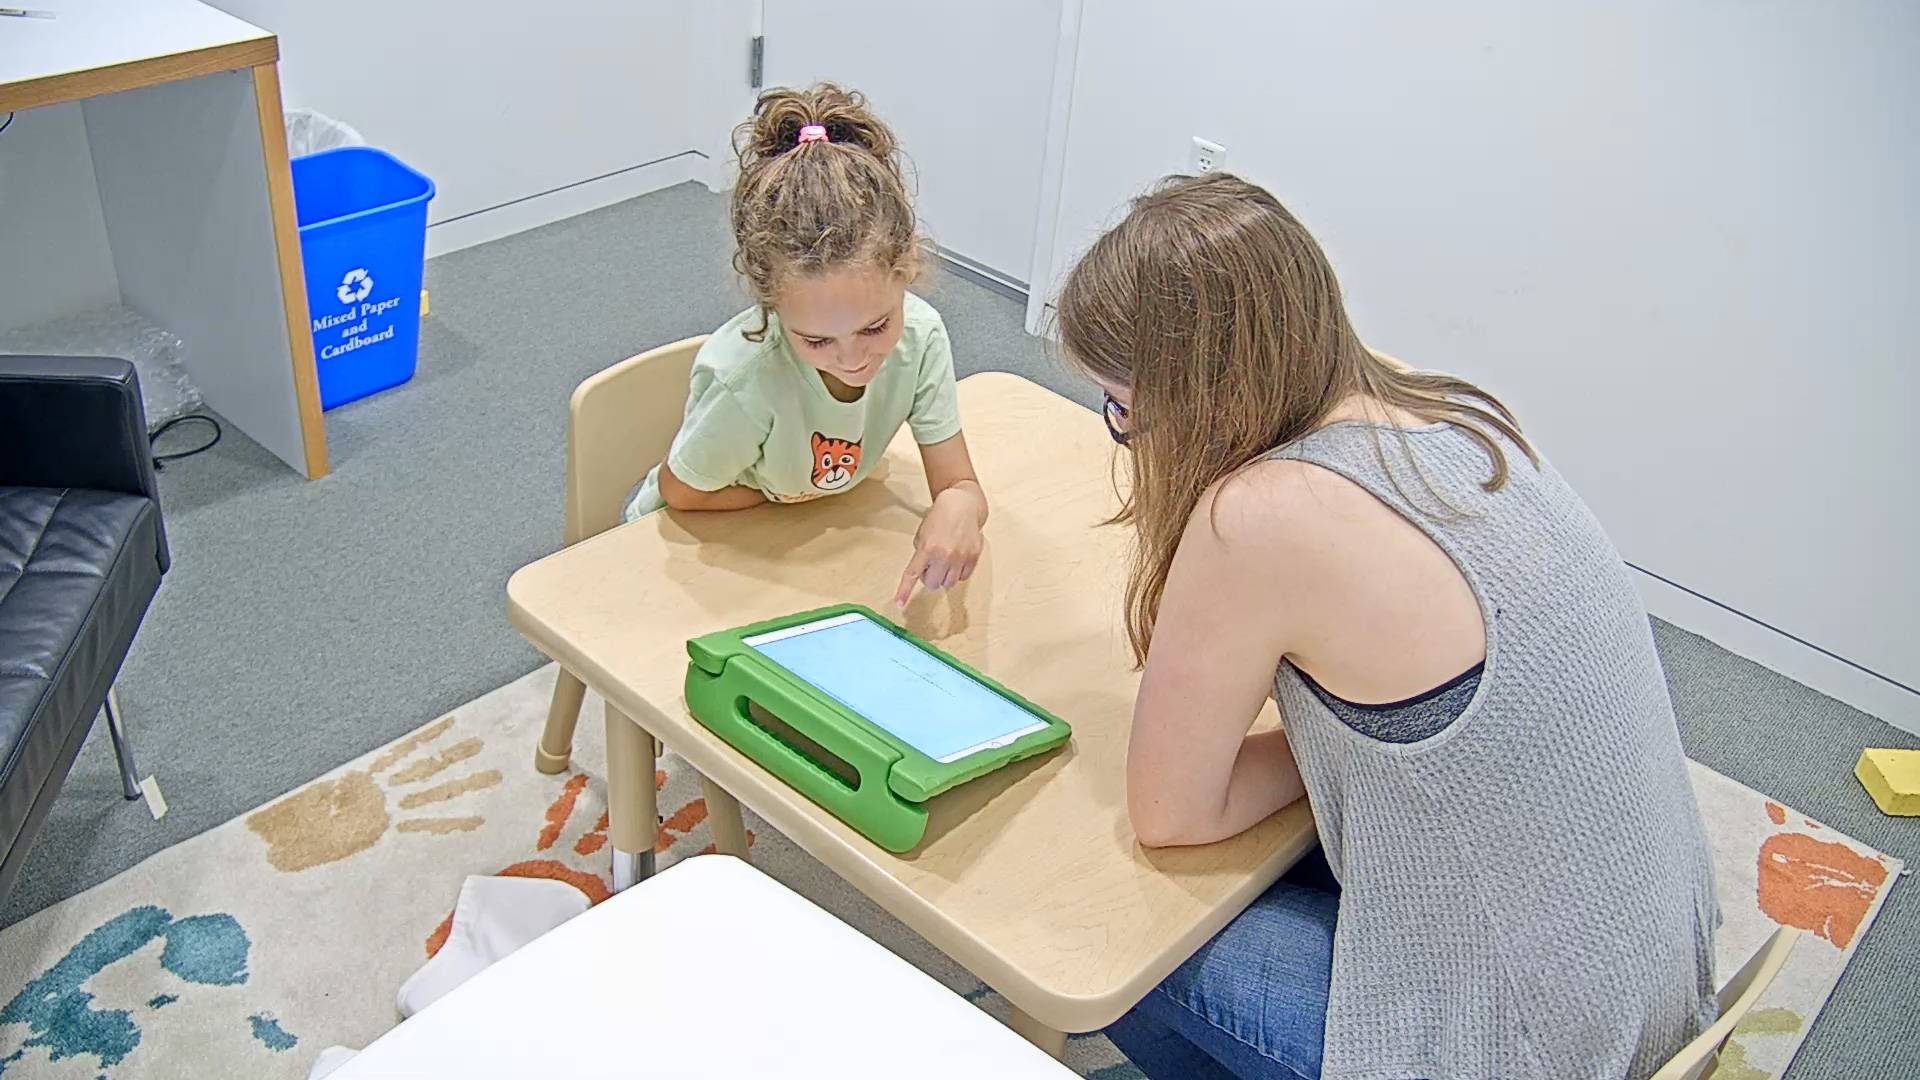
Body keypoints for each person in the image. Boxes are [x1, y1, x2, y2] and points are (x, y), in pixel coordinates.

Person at [1055, 173, 1718, 1080]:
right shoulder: (1449, 413)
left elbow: (1172, 813)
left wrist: (1324, 750)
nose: (1126, 432)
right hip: (1650, 976)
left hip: (1527, 1050)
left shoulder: (1259, 515)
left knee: (1101, 940)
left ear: (1196, 398)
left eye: (1124, 408)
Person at [624, 83, 987, 606]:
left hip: (798, 540)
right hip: (680, 544)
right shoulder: (749, 378)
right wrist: (780, 498)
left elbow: (959, 483)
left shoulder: (922, 336)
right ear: (771, 304)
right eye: (816, 340)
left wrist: (960, 504)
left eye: (875, 327)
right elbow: (680, 492)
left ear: (907, 264)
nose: (852, 359)